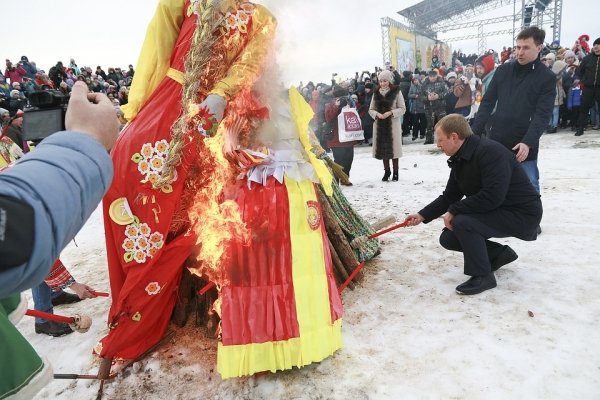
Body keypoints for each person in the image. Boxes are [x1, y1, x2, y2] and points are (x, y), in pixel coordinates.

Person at [98, 0, 279, 368]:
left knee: (176, 219)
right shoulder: (183, 0)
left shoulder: (261, 18)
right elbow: (156, 49)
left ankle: (140, 315)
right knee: (129, 191)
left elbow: (249, 63)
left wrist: (221, 92)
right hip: (165, 102)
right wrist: (135, 111)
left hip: (210, 117)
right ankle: (131, 304)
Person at [0, 80, 118, 400]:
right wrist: (86, 141)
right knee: (40, 249)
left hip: (27, 194)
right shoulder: (6, 147)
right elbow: (19, 239)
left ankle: (49, 297)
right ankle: (44, 314)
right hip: (26, 205)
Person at [404, 114, 542, 295]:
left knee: (461, 222)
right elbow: (450, 196)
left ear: (454, 137)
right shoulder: (461, 157)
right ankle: (497, 255)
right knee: (448, 237)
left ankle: (483, 276)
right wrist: (422, 215)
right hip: (499, 209)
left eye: (440, 140)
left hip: (522, 213)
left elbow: (493, 196)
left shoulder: (490, 152)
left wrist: (455, 210)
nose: (438, 145)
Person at [471, 26, 555, 201]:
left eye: (526, 48)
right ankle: (499, 216)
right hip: (498, 136)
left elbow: (543, 114)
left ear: (539, 48)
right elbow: (487, 103)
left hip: (524, 140)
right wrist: (475, 132)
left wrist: (528, 142)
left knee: (529, 181)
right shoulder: (503, 71)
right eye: (518, 47)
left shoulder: (546, 77)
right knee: (495, 179)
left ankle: (532, 219)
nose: (520, 52)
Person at [368, 69, 406, 181]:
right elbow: (371, 109)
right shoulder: (376, 93)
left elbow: (403, 108)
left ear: (389, 81)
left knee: (394, 150)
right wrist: (377, 114)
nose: (383, 83)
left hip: (393, 124)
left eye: (385, 81)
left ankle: (395, 172)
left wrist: (391, 113)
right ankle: (386, 171)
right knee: (382, 149)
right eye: (381, 81)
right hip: (379, 125)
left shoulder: (397, 92)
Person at [574, 37, 600, 136]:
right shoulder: (587, 58)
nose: (596, 46)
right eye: (595, 44)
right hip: (588, 87)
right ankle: (580, 128)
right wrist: (577, 78)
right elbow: (579, 71)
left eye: (598, 44)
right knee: (584, 108)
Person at [420, 70, 448, 144]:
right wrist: (427, 98)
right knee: (429, 124)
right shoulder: (424, 84)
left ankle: (444, 139)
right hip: (429, 107)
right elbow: (420, 96)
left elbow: (447, 92)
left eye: (434, 76)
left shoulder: (442, 83)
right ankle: (429, 139)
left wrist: (439, 96)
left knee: (443, 124)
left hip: (440, 106)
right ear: (428, 76)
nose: (432, 78)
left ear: (437, 76)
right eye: (431, 76)